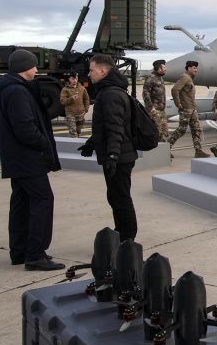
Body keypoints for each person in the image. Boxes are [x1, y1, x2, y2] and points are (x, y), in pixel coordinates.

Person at [0, 49, 64, 270]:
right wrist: (43, 143)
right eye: (33, 66)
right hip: (27, 158)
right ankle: (35, 255)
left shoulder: (10, 89)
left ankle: (20, 251)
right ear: (25, 68)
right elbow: (25, 128)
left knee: (21, 203)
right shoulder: (17, 92)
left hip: (17, 158)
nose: (36, 69)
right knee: (43, 200)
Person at [78, 54, 139, 241]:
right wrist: (92, 143)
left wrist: (113, 155)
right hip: (119, 154)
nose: (89, 74)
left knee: (120, 198)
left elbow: (115, 128)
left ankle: (127, 239)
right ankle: (121, 231)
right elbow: (104, 126)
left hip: (120, 157)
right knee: (114, 197)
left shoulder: (111, 94)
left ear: (103, 71)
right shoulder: (109, 91)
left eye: (92, 70)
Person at [169, 60, 211, 158]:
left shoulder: (189, 78)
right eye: (194, 68)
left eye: (196, 68)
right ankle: (166, 148)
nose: (196, 70)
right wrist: (178, 103)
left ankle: (198, 151)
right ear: (188, 68)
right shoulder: (185, 77)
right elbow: (175, 89)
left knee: (196, 130)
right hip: (186, 109)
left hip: (192, 109)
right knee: (181, 130)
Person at [142, 59, 169, 142]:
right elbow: (145, 94)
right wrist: (151, 108)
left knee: (164, 132)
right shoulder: (151, 78)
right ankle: (157, 152)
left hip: (161, 110)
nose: (166, 69)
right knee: (157, 132)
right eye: (164, 67)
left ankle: (164, 152)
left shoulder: (160, 78)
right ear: (159, 68)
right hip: (154, 111)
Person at [59, 71, 90, 137]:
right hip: (70, 114)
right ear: (69, 79)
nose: (75, 80)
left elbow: (86, 99)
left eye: (76, 78)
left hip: (80, 113)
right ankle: (73, 146)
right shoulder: (65, 89)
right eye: (73, 79)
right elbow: (62, 101)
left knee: (79, 131)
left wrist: (86, 109)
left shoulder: (82, 88)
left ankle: (77, 145)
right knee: (73, 133)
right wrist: (71, 98)